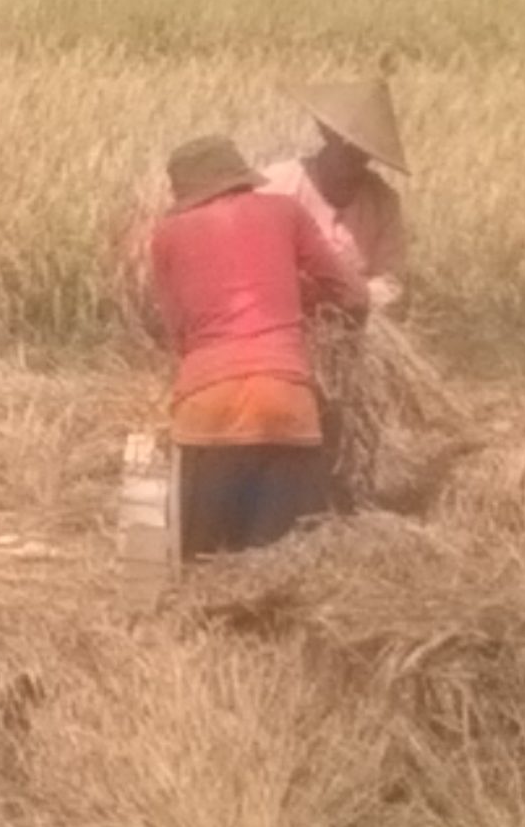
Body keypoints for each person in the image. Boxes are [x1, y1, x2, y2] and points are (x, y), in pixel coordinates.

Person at [147, 135, 369, 559]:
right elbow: (353, 296)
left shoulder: (166, 236)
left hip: (207, 403)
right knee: (281, 561)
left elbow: (178, 335)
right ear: (239, 175)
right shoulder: (285, 212)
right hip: (284, 398)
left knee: (204, 562)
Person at [261, 78, 411, 314]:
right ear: (329, 137)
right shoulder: (279, 183)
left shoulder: (383, 202)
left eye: (360, 152)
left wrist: (355, 297)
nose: (351, 158)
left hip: (353, 315)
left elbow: (390, 280)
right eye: (343, 148)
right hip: (281, 307)